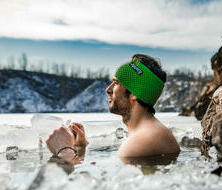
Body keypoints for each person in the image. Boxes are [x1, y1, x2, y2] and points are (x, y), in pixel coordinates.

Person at [46, 54, 180, 166]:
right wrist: (81, 147)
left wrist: (64, 151)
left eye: (116, 83)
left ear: (134, 94)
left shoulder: (143, 139)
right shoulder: (148, 134)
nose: (108, 89)